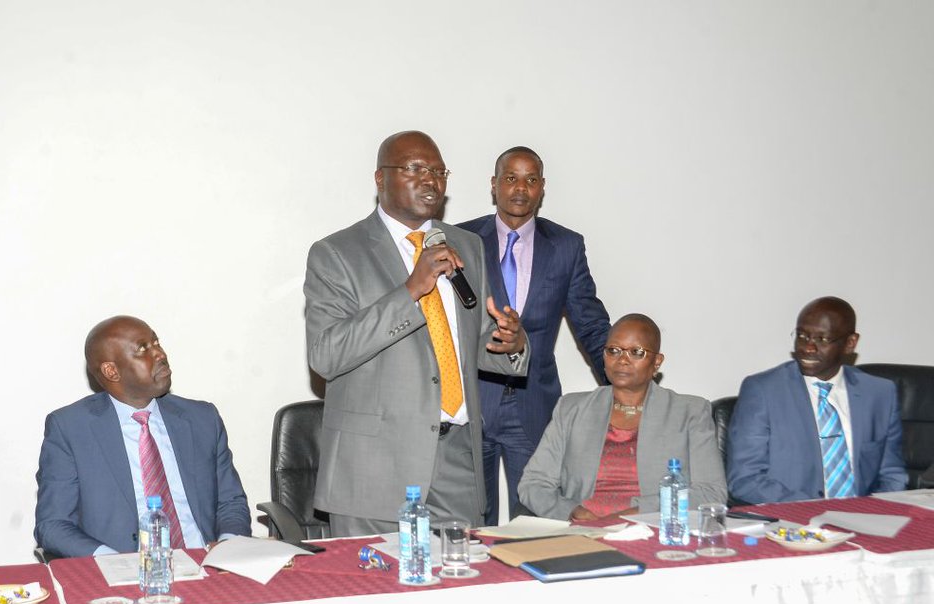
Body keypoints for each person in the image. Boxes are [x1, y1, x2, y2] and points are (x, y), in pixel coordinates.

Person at [304, 130, 528, 535]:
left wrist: (510, 344)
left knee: (461, 589)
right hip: (375, 472)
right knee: (374, 595)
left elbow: (471, 346)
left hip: (458, 464)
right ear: (380, 178)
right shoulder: (337, 253)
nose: (430, 180)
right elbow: (326, 355)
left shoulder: (467, 245)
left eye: (439, 171)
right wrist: (411, 290)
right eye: (415, 169)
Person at [458, 146, 610, 525]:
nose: (520, 188)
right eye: (511, 178)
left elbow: (590, 324)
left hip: (534, 407)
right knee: (473, 529)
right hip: (470, 407)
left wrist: (625, 388)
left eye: (531, 179)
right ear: (494, 186)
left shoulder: (566, 247)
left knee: (537, 527)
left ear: (542, 188)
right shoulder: (461, 239)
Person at [34, 315, 251, 557]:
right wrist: (113, 561)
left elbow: (231, 502)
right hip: (121, 572)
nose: (159, 354)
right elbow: (52, 525)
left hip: (205, 563)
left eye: (156, 342)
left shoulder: (201, 419)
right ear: (111, 371)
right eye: (142, 349)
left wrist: (228, 545)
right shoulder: (71, 429)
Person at [517, 314, 726, 521]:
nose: (622, 360)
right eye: (613, 351)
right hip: (583, 532)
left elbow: (711, 493)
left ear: (656, 362)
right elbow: (534, 484)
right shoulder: (571, 409)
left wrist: (639, 513)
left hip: (654, 530)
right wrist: (571, 512)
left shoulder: (690, 412)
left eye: (636, 352)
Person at [726, 296, 906, 503]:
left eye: (822, 339)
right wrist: (813, 510)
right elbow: (745, 479)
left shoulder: (879, 393)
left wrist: (874, 513)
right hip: (792, 523)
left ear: (850, 343)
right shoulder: (763, 391)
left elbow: (892, 473)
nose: (807, 348)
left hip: (865, 520)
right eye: (802, 336)